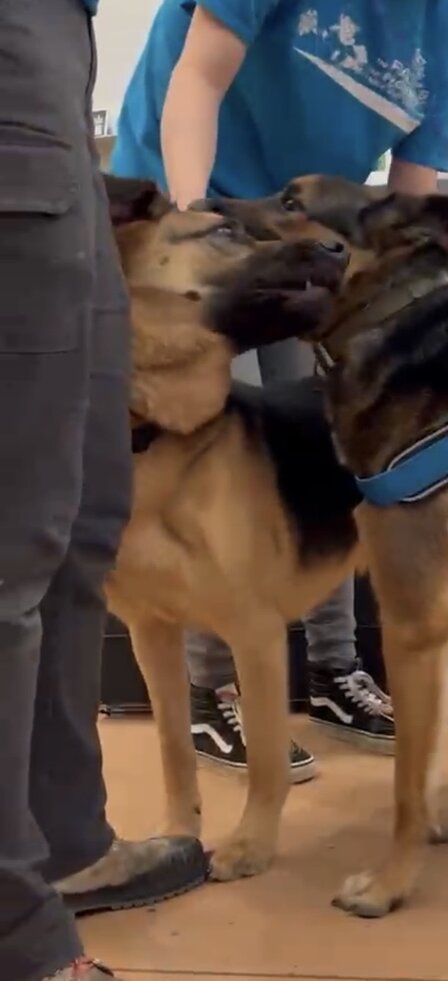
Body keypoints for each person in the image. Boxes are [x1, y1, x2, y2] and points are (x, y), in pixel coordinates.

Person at [110, 0, 448, 780]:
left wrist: (397, 272)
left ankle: (333, 669)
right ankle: (212, 691)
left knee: (329, 442)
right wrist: (194, 224)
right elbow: (199, 77)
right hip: (197, 203)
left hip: (299, 233)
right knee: (216, 463)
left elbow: (413, 173)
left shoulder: (444, 15)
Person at [0, 3, 209, 981]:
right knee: (9, 550)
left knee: (81, 517)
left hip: (56, 60)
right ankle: (15, 931)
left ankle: (64, 846)